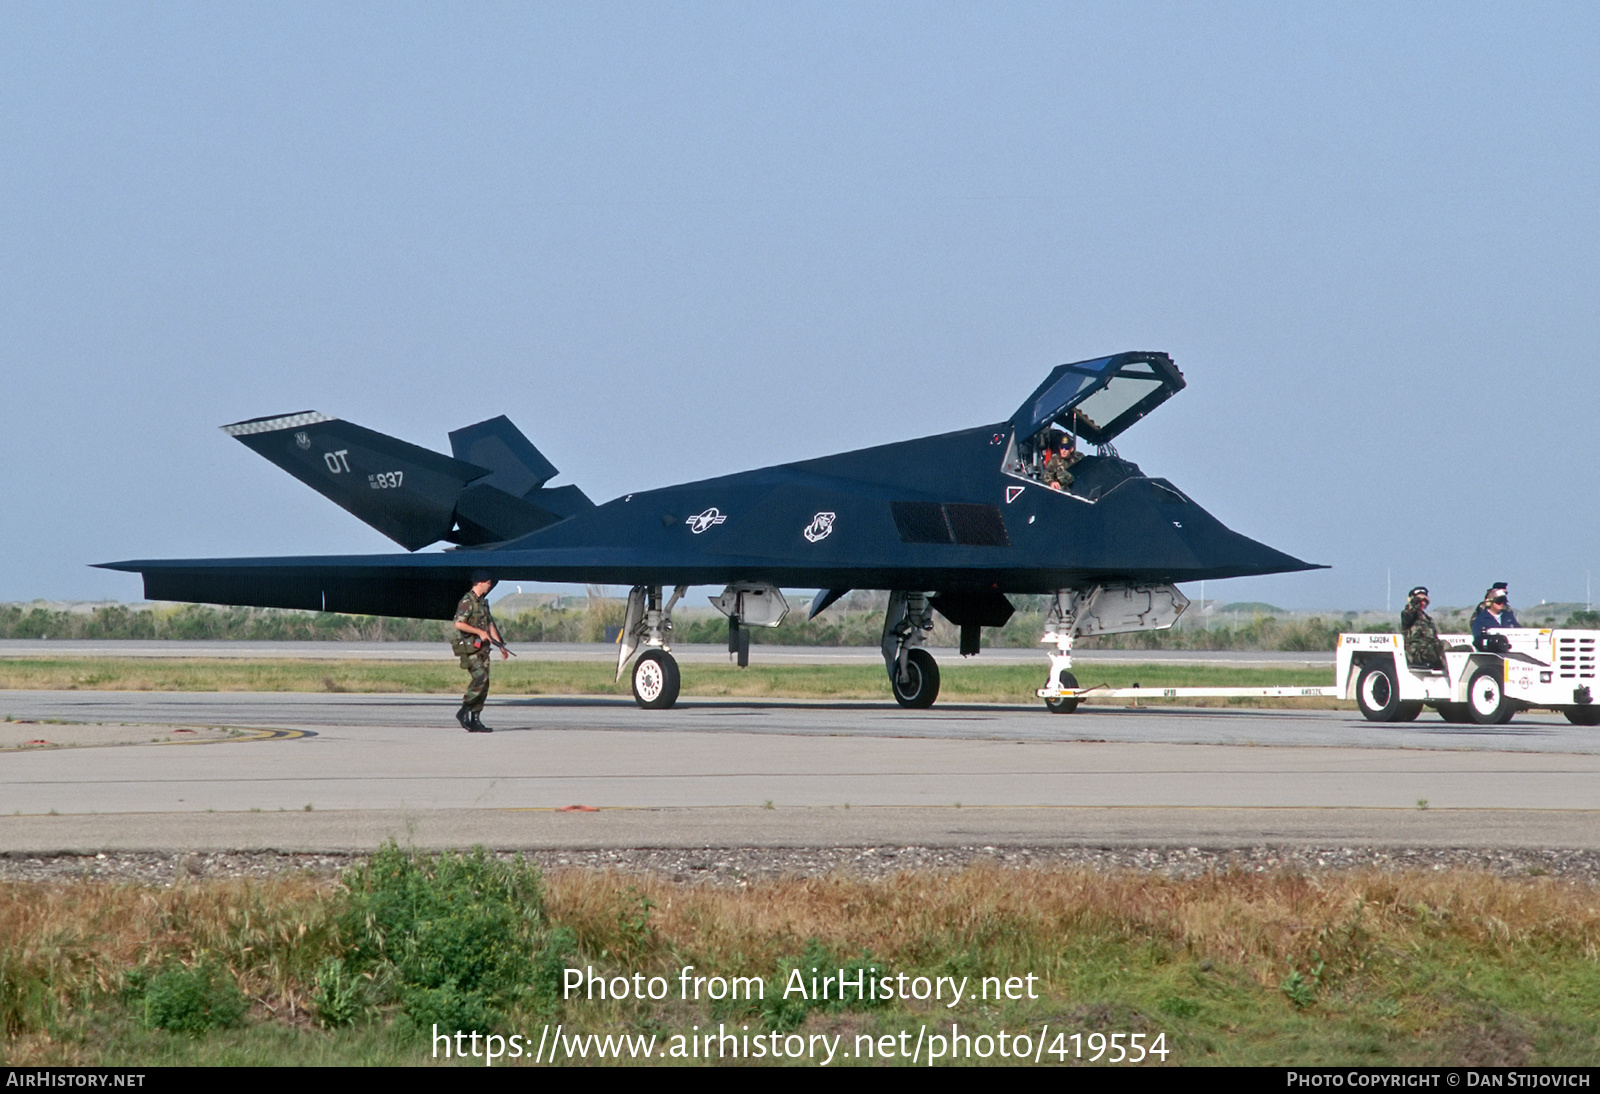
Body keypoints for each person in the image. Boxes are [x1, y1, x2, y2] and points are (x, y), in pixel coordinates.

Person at [452, 572, 508, 732]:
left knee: (485, 684)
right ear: (480, 582)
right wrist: (479, 632)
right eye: (489, 583)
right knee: (480, 678)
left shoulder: (482, 603)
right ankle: (464, 711)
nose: (490, 586)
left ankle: (475, 719)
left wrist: (500, 645)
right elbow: (459, 624)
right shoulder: (467, 602)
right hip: (471, 648)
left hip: (483, 648)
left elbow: (490, 624)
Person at [1400, 585, 1445, 670]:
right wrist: (1415, 600)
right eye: (1419, 601)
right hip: (1417, 653)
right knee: (1441, 645)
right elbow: (1408, 614)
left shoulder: (1427, 619)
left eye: (1425, 601)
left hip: (1430, 651)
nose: (1422, 603)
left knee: (1461, 649)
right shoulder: (1408, 614)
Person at [1471, 588, 1520, 653]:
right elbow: (1478, 641)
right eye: (1499, 601)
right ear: (1489, 602)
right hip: (1492, 655)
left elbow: (1519, 631)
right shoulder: (1480, 620)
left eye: (1504, 600)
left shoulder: (1509, 616)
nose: (1502, 603)